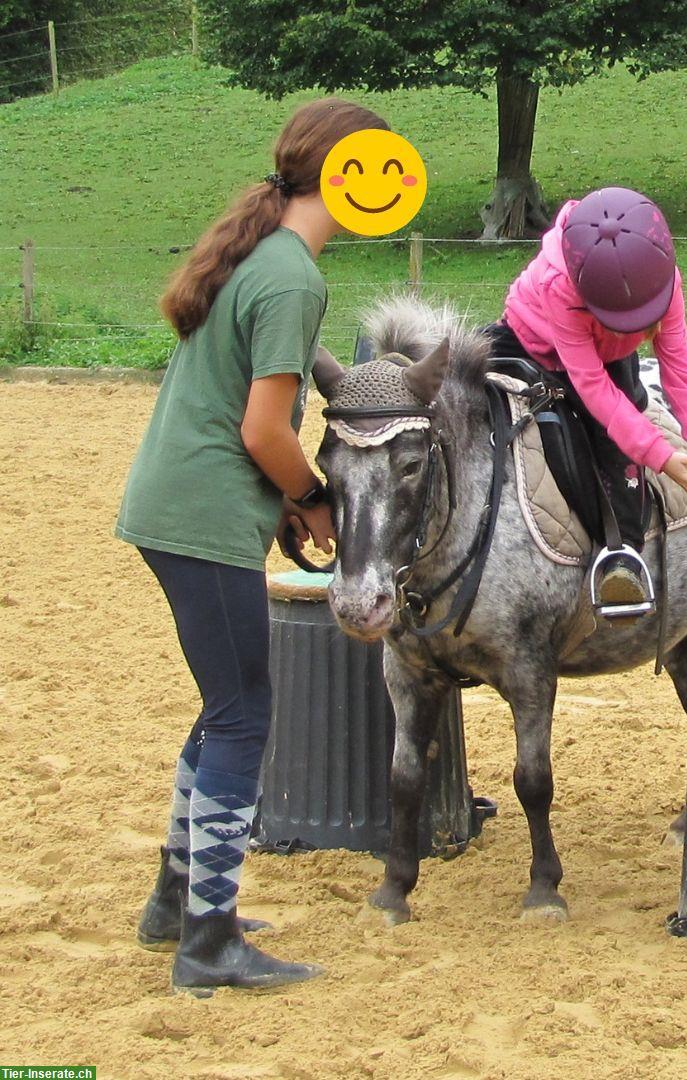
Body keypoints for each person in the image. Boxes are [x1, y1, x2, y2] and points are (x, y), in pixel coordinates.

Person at [115, 98, 388, 996]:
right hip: (201, 514)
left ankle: (175, 899)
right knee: (242, 714)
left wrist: (282, 501)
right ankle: (209, 940)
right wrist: (311, 500)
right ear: (348, 178)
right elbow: (265, 428)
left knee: (222, 702)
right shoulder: (292, 277)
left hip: (181, 502)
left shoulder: (263, 254)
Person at [486, 186, 687, 615]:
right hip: (531, 342)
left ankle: (622, 552)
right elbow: (590, 385)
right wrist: (662, 455)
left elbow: (679, 371)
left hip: (606, 352)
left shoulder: (663, 280)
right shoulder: (558, 286)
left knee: (615, 446)